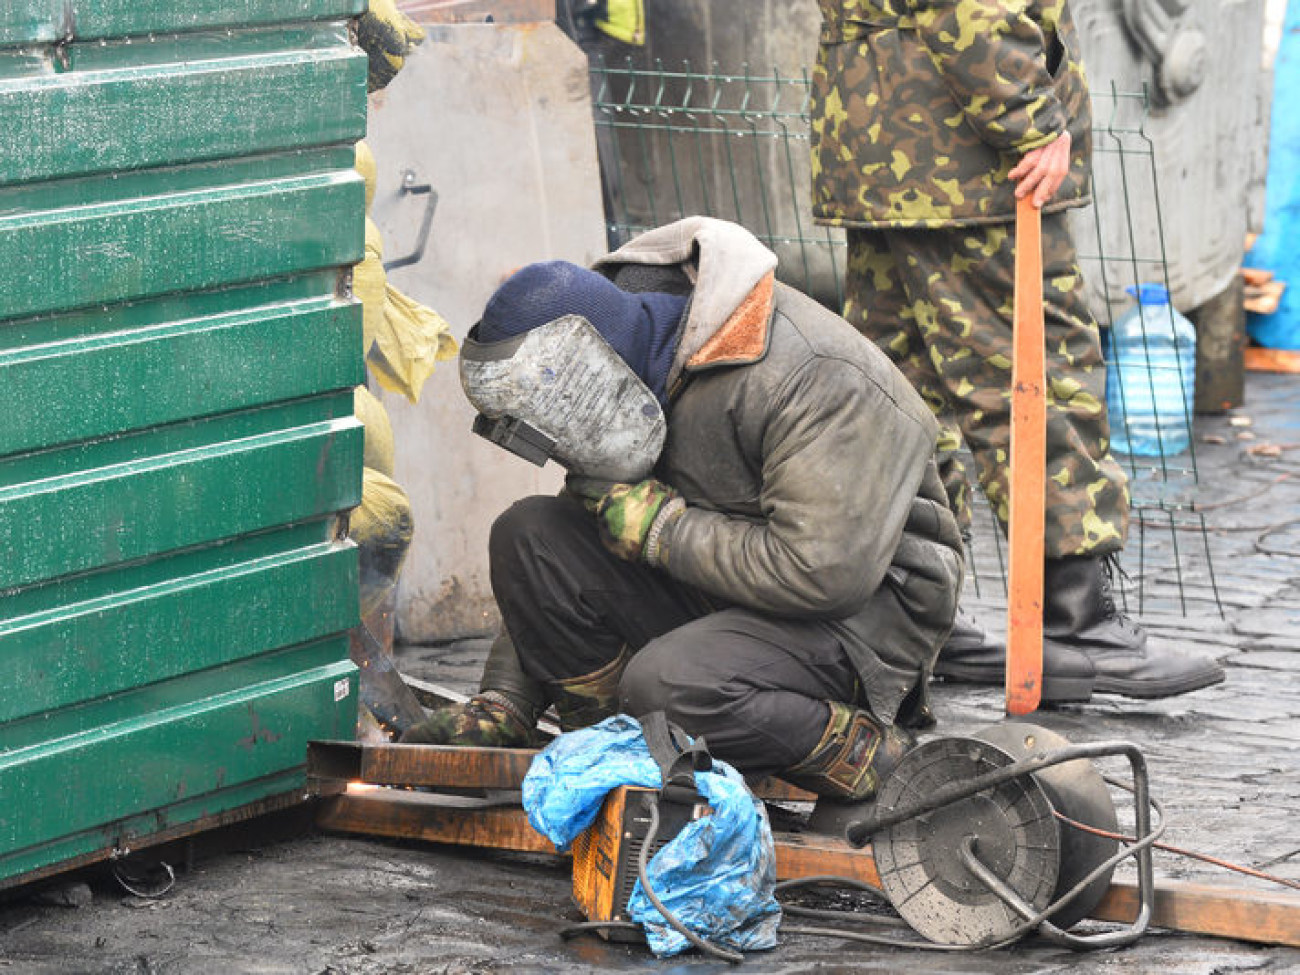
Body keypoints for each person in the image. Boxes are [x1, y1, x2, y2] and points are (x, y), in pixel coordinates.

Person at [403, 216, 964, 803]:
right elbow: (574, 550)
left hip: (863, 622)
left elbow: (825, 576)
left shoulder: (815, 374)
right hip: (729, 589)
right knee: (529, 535)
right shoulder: (632, 369)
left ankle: (871, 754)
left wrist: (662, 531)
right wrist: (505, 701)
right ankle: (607, 753)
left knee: (670, 685)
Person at [806, 0, 1223, 701]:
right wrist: (1030, 118)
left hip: (881, 136)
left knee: (900, 392)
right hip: (963, 154)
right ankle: (1073, 621)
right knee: (1037, 373)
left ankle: (910, 617)